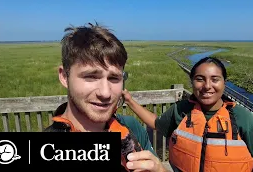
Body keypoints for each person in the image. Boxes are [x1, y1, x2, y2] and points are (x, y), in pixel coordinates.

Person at [43, 22, 168, 172]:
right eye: (90, 76)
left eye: (114, 78)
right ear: (64, 77)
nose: (105, 93)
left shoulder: (132, 128)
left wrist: (161, 169)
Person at [122, 57, 253, 172]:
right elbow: (157, 124)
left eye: (215, 79)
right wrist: (129, 101)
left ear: (224, 82)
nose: (207, 86)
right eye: (200, 79)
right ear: (192, 82)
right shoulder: (182, 110)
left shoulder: (242, 118)